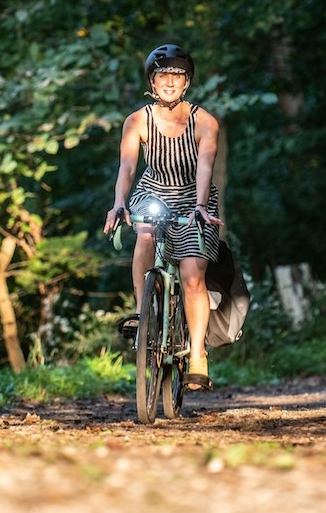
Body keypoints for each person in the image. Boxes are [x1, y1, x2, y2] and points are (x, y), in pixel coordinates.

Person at [103, 44, 224, 391]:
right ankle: (144, 316)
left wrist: (200, 206)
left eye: (176, 76)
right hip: (154, 190)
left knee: (190, 276)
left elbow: (205, 167)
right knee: (143, 231)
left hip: (193, 197)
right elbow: (127, 166)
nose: (169, 83)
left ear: (186, 83)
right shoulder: (137, 121)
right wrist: (118, 203)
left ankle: (198, 353)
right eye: (162, 76)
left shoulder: (205, 122)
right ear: (152, 81)